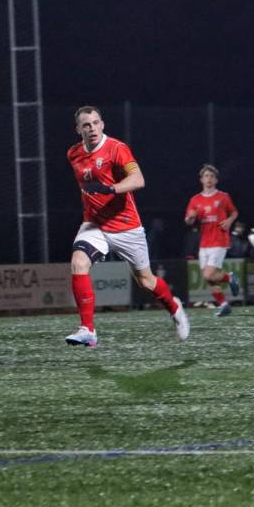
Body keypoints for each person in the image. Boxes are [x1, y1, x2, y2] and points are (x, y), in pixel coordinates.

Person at [63, 106, 190, 347]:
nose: (92, 129)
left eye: (96, 123)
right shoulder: (73, 154)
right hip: (95, 224)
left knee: (146, 281)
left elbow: (138, 179)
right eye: (86, 125)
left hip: (126, 226)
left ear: (103, 124)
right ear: (78, 129)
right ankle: (87, 329)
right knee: (78, 262)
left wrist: (111, 188)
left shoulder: (116, 149)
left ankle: (175, 309)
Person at [184, 163, 242, 316]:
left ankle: (229, 277)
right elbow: (188, 220)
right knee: (208, 278)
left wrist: (229, 221)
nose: (209, 179)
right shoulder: (195, 200)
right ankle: (224, 305)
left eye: (211, 176)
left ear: (216, 180)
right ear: (201, 180)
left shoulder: (223, 197)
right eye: (206, 176)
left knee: (209, 274)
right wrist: (190, 218)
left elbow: (234, 212)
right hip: (204, 242)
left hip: (219, 239)